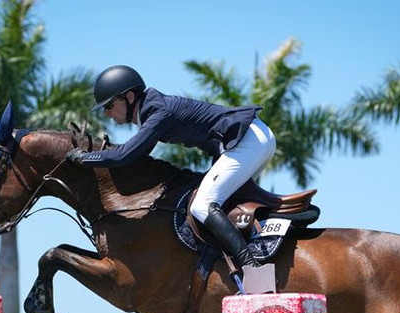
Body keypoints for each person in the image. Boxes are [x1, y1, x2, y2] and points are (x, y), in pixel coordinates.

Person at [66, 65, 276, 282]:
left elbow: (124, 156)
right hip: (250, 139)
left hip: (249, 141)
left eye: (109, 105)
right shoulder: (154, 110)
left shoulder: (159, 111)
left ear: (129, 97)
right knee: (220, 201)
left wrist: (84, 158)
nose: (107, 113)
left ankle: (254, 271)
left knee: (202, 205)